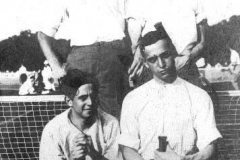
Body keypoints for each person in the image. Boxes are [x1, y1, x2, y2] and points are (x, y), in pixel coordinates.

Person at [118, 27, 222, 160]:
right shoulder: (132, 99)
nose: (161, 64)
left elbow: (209, 144)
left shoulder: (198, 96)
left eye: (165, 55)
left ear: (173, 53)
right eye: (153, 60)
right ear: (145, 63)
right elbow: (128, 147)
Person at [37, 0, 130, 118]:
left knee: (114, 118)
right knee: (82, 117)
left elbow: (133, 20)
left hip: (113, 57)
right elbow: (43, 35)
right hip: (81, 58)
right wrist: (56, 67)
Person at [39, 69, 122, 160]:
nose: (90, 102)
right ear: (69, 101)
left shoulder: (111, 124)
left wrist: (93, 154)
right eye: (83, 98)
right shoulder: (52, 130)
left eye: (93, 97)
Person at [126, 0, 207, 87]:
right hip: (155, 68)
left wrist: (187, 57)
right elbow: (136, 44)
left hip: (185, 65)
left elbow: (202, 42)